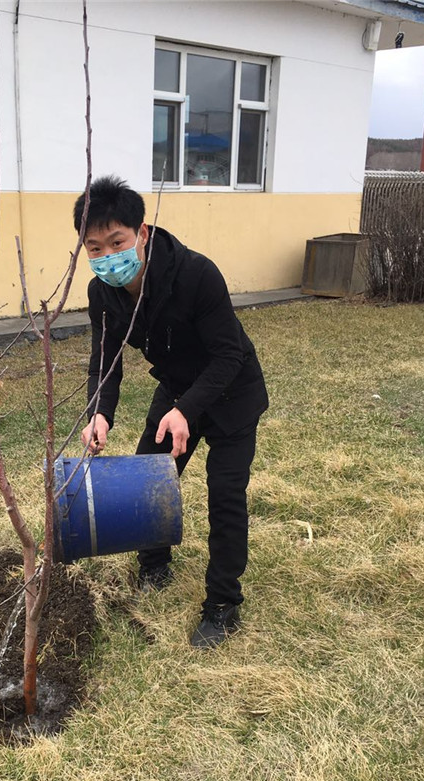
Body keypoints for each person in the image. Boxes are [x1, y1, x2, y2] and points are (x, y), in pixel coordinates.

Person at [74, 176, 269, 648]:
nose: (107, 256)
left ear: (141, 233)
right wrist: (100, 413)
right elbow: (105, 361)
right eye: (94, 248)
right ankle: (154, 566)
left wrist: (187, 410)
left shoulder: (196, 274)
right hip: (177, 389)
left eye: (116, 242)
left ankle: (222, 604)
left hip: (233, 392)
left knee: (225, 495)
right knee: (149, 478)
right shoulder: (102, 294)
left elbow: (228, 355)